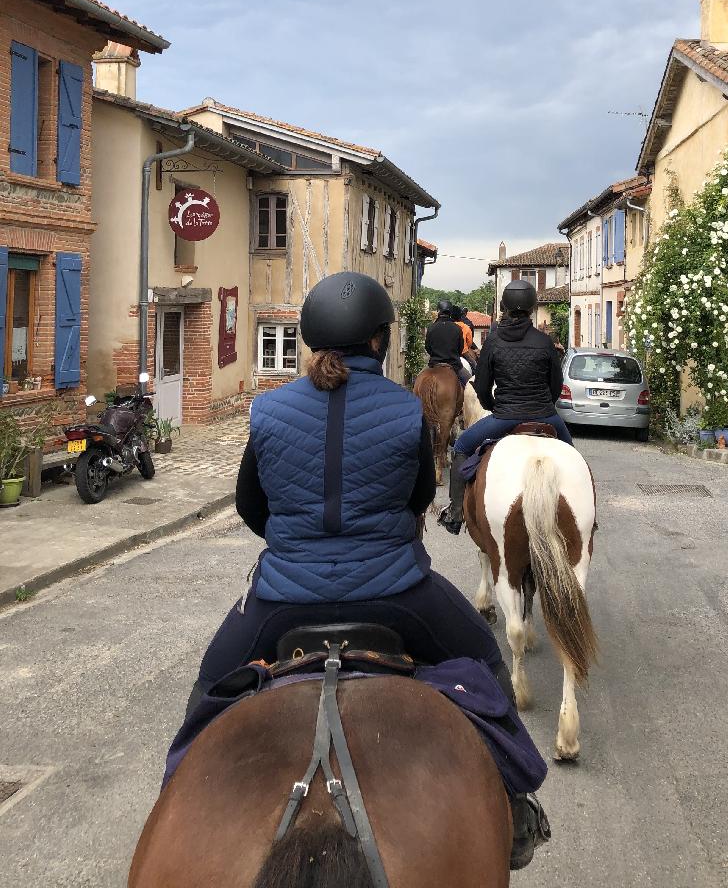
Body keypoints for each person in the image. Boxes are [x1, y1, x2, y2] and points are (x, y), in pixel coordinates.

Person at [180, 272, 547, 868]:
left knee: (208, 687)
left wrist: (296, 546)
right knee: (483, 653)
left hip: (282, 598)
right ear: (379, 341)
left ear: (310, 340)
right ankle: (519, 798)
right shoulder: (406, 412)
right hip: (396, 593)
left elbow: (251, 506)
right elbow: (416, 500)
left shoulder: (268, 410)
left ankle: (177, 789)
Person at [438, 279, 573, 536]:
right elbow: (556, 385)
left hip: (504, 417)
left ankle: (456, 514)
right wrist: (545, 406)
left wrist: (494, 407)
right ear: (533, 307)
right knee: (575, 457)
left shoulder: (493, 342)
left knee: (462, 447)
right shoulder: (545, 342)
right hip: (545, 415)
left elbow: (483, 386)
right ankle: (587, 517)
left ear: (504, 307)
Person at [425, 299, 469, 386]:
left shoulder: (431, 328)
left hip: (434, 364)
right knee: (471, 383)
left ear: (438, 311)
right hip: (454, 365)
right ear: (450, 312)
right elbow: (460, 349)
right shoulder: (457, 328)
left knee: (417, 381)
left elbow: (427, 347)